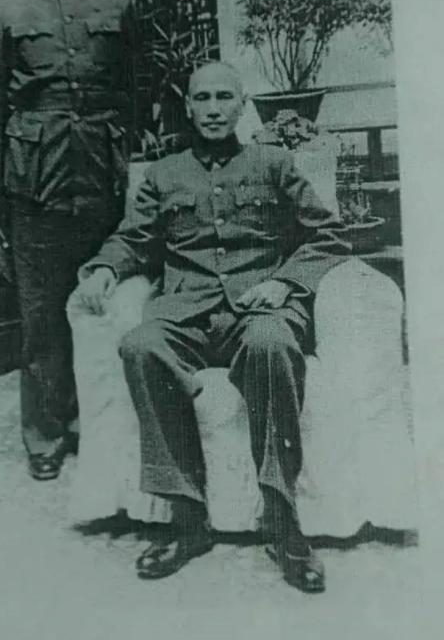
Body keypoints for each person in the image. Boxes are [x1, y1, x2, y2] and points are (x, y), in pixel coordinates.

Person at [76, 62, 350, 593]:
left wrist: (285, 284)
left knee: (272, 342)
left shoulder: (274, 162)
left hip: (259, 307)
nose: (214, 109)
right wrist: (106, 268)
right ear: (188, 107)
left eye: (225, 97)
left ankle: (281, 519)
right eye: (202, 98)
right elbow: (132, 238)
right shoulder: (164, 174)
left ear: (243, 105)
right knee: (140, 345)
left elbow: (329, 236)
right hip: (186, 313)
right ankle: (187, 521)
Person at [0, 0, 135, 481]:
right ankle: (45, 435)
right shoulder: (1, 6)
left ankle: (104, 424)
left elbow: (132, 87)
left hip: (102, 174)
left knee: (106, 302)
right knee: (41, 314)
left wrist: (130, 163)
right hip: (34, 180)